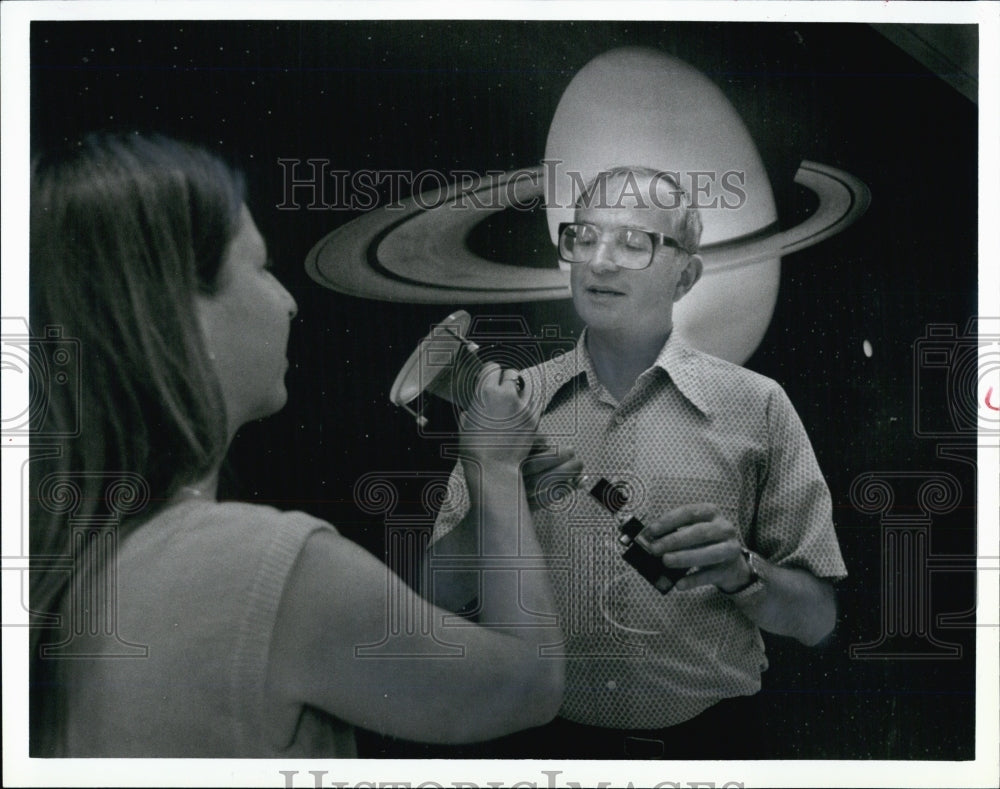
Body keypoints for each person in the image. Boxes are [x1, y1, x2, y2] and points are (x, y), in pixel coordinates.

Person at [28, 132, 563, 757]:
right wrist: (494, 472)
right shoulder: (258, 563)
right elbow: (530, 684)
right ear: (175, 312)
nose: (286, 302)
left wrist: (491, 510)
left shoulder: (93, 560)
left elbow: (393, 626)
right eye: (259, 268)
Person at [429, 165, 848, 759]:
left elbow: (819, 619)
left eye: (633, 243)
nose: (599, 262)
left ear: (686, 276)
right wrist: (499, 499)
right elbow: (435, 596)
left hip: (712, 750)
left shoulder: (758, 406)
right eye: (584, 237)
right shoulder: (509, 406)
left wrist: (741, 571)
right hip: (542, 748)